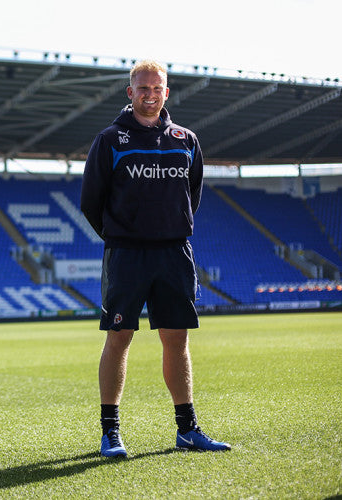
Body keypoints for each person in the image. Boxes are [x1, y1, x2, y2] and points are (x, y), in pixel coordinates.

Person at [80, 60, 230, 457]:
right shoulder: (110, 140)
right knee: (119, 338)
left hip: (173, 253)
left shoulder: (186, 139)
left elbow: (191, 196)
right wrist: (122, 235)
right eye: (142, 88)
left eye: (157, 88)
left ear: (167, 92)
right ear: (130, 93)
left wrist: (168, 228)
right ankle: (110, 432)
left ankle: (187, 429)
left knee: (176, 340)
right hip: (127, 254)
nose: (150, 94)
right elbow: (91, 202)